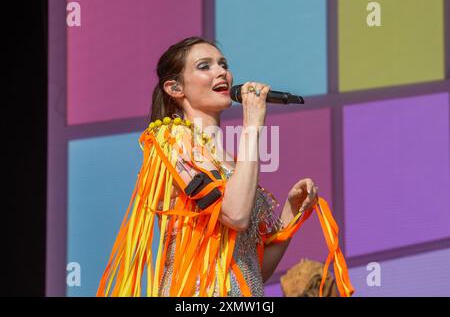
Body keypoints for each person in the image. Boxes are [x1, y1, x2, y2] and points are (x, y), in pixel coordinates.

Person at [96, 36, 354, 297]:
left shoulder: (231, 161)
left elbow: (253, 270)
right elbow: (236, 214)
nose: (221, 72)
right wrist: (252, 126)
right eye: (204, 66)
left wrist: (291, 212)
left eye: (223, 64)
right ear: (175, 89)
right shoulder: (171, 141)